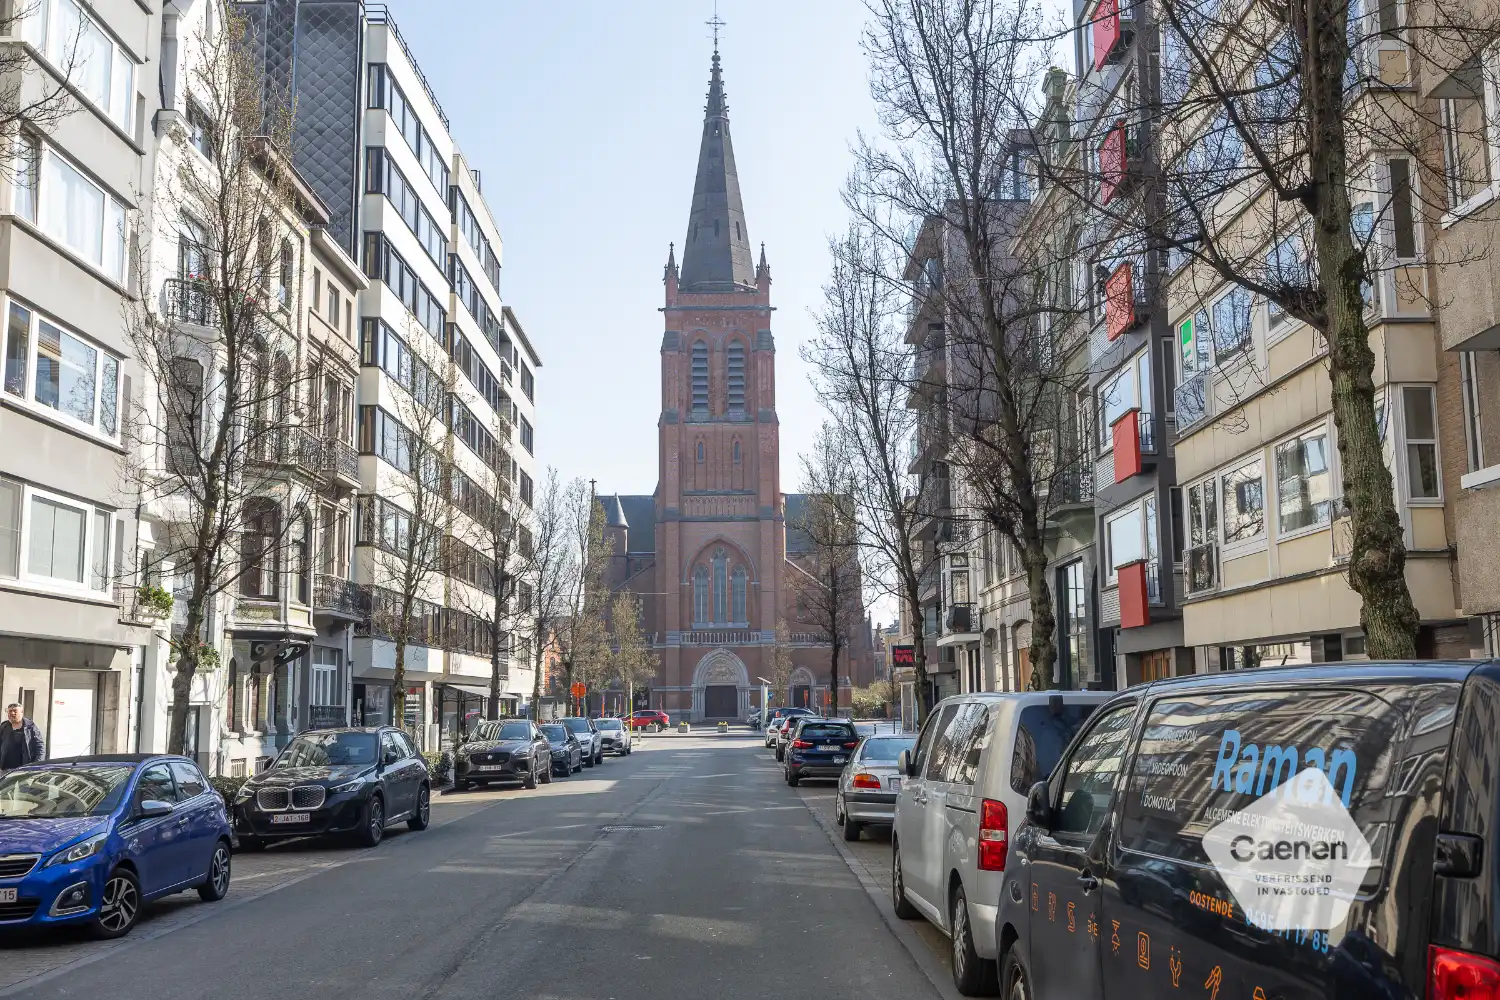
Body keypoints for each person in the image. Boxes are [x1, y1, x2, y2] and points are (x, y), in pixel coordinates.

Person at [0, 703, 44, 771]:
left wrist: (36, 766)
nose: (12, 713)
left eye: (15, 711)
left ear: (22, 712)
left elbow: (40, 747)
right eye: (10, 711)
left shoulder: (30, 727)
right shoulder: (4, 726)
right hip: (5, 769)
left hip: (24, 770)